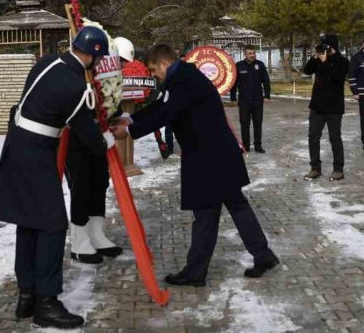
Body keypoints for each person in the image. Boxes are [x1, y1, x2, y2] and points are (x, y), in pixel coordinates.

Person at [111, 44, 280, 286]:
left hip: (208, 157)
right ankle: (262, 255)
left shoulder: (184, 79)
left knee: (206, 212)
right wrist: (131, 119)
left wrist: (129, 131)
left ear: (164, 64)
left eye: (153, 70)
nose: (153, 76)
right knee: (232, 206)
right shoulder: (180, 76)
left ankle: (196, 272)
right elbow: (161, 106)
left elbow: (167, 112)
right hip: (216, 154)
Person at [0, 26, 117, 329]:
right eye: (99, 60)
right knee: (53, 225)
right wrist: (109, 139)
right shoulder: (75, 86)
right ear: (92, 56)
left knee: (28, 222)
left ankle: (27, 296)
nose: (99, 65)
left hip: (16, 145)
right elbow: (90, 138)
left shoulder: (46, 62)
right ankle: (46, 302)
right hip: (36, 153)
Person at [64, 39, 131, 265]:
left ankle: (96, 234)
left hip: (98, 139)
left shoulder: (104, 78)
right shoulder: (78, 75)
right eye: (119, 61)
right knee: (81, 188)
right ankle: (79, 241)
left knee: (99, 183)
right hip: (77, 141)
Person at [303, 34, 350, 180]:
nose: (324, 50)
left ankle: (338, 169)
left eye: (326, 47)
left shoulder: (342, 61)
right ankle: (315, 168)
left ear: (332, 47)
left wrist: (324, 63)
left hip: (334, 107)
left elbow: (338, 78)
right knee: (313, 137)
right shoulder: (319, 59)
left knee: (335, 138)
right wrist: (315, 57)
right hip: (317, 106)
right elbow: (307, 70)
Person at [230, 46, 271, 153]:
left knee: (258, 123)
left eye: (253, 53)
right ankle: (246, 146)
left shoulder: (260, 65)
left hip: (257, 100)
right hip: (244, 101)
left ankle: (258, 145)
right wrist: (233, 97)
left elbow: (266, 81)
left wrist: (267, 95)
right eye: (250, 53)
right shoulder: (239, 66)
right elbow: (234, 83)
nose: (252, 55)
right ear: (245, 54)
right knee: (244, 124)